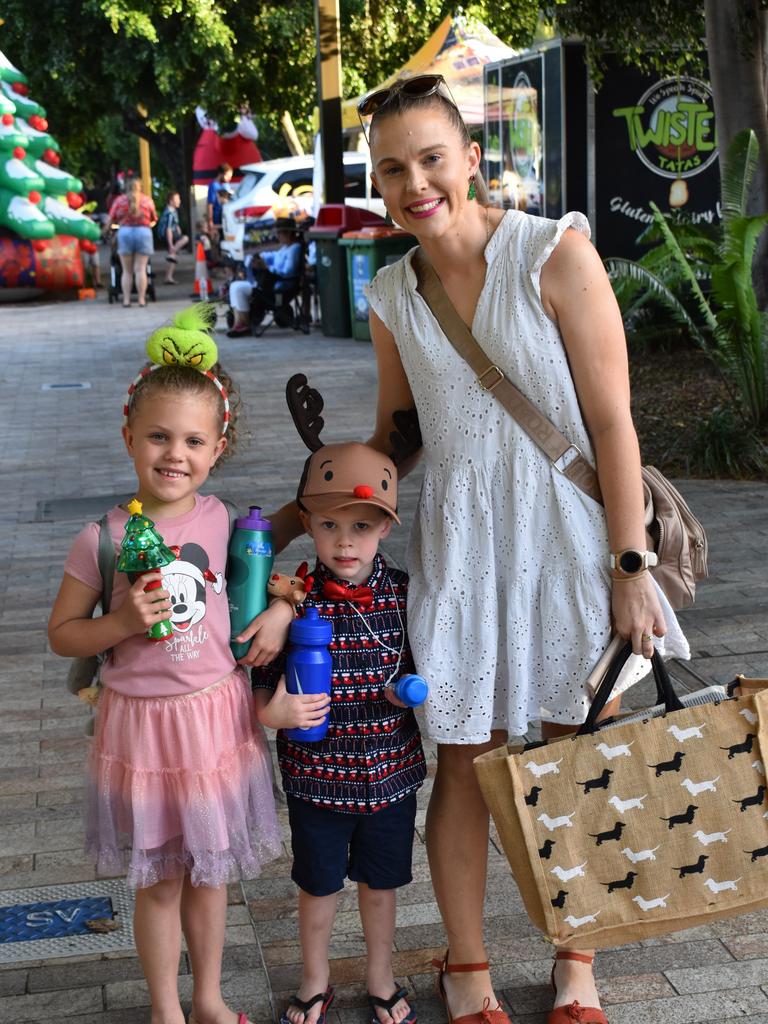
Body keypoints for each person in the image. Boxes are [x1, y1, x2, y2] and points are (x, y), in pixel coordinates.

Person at [269, 75, 690, 1024]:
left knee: (566, 754)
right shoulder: (391, 293)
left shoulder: (554, 253)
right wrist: (309, 508)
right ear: (378, 184)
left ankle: (575, 957)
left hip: (569, 541)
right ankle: (468, 968)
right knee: (462, 757)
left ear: (468, 159)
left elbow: (614, 427)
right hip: (461, 546)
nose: (415, 182)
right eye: (392, 169)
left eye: (430, 159)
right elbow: (399, 433)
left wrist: (630, 569)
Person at [48, 305, 282, 1024]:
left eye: (191, 440)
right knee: (159, 883)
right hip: (142, 732)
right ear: (129, 438)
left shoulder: (229, 524)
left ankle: (207, 998)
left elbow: (261, 597)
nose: (173, 454)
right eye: (157, 436)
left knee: (210, 878)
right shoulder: (104, 536)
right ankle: (164, 1010)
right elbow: (63, 634)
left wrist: (279, 612)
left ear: (217, 447)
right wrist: (117, 622)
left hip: (215, 720)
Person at [251, 440, 427, 1024]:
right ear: (307, 526)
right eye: (328, 525)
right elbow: (256, 683)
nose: (345, 542)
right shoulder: (290, 603)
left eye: (361, 526)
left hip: (389, 774)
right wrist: (269, 715)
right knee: (318, 885)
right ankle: (315, 977)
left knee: (382, 885)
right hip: (317, 779)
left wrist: (411, 687)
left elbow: (435, 665)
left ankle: (380, 975)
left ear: (384, 528)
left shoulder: (406, 596)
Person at [226, 219, 303, 337]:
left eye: (279, 233)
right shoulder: (284, 248)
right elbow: (271, 256)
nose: (278, 236)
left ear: (287, 233)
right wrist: (257, 258)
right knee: (235, 285)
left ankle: (243, 323)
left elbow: (288, 271)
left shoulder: (294, 249)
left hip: (277, 285)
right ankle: (240, 322)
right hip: (270, 282)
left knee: (238, 288)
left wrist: (267, 267)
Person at [107, 177, 157, 307]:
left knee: (126, 271)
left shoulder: (119, 200)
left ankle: (126, 300)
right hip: (144, 232)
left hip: (125, 233)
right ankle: (141, 300)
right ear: (140, 187)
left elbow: (111, 219)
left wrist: (105, 230)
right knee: (141, 269)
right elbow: (154, 218)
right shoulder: (147, 200)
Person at [157, 191, 190, 284]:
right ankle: (172, 251)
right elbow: (168, 229)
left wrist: (178, 229)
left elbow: (175, 225)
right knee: (185, 238)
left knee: (173, 257)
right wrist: (171, 245)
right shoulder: (170, 213)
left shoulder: (173, 211)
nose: (179, 201)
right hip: (166, 235)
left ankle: (168, 277)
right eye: (177, 199)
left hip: (170, 234)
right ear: (171, 201)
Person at [207, 163, 234, 247]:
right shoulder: (214, 186)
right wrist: (210, 221)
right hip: (216, 218)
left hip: (224, 217)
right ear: (221, 174)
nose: (230, 179)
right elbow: (210, 204)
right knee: (217, 241)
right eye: (228, 176)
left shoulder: (225, 185)